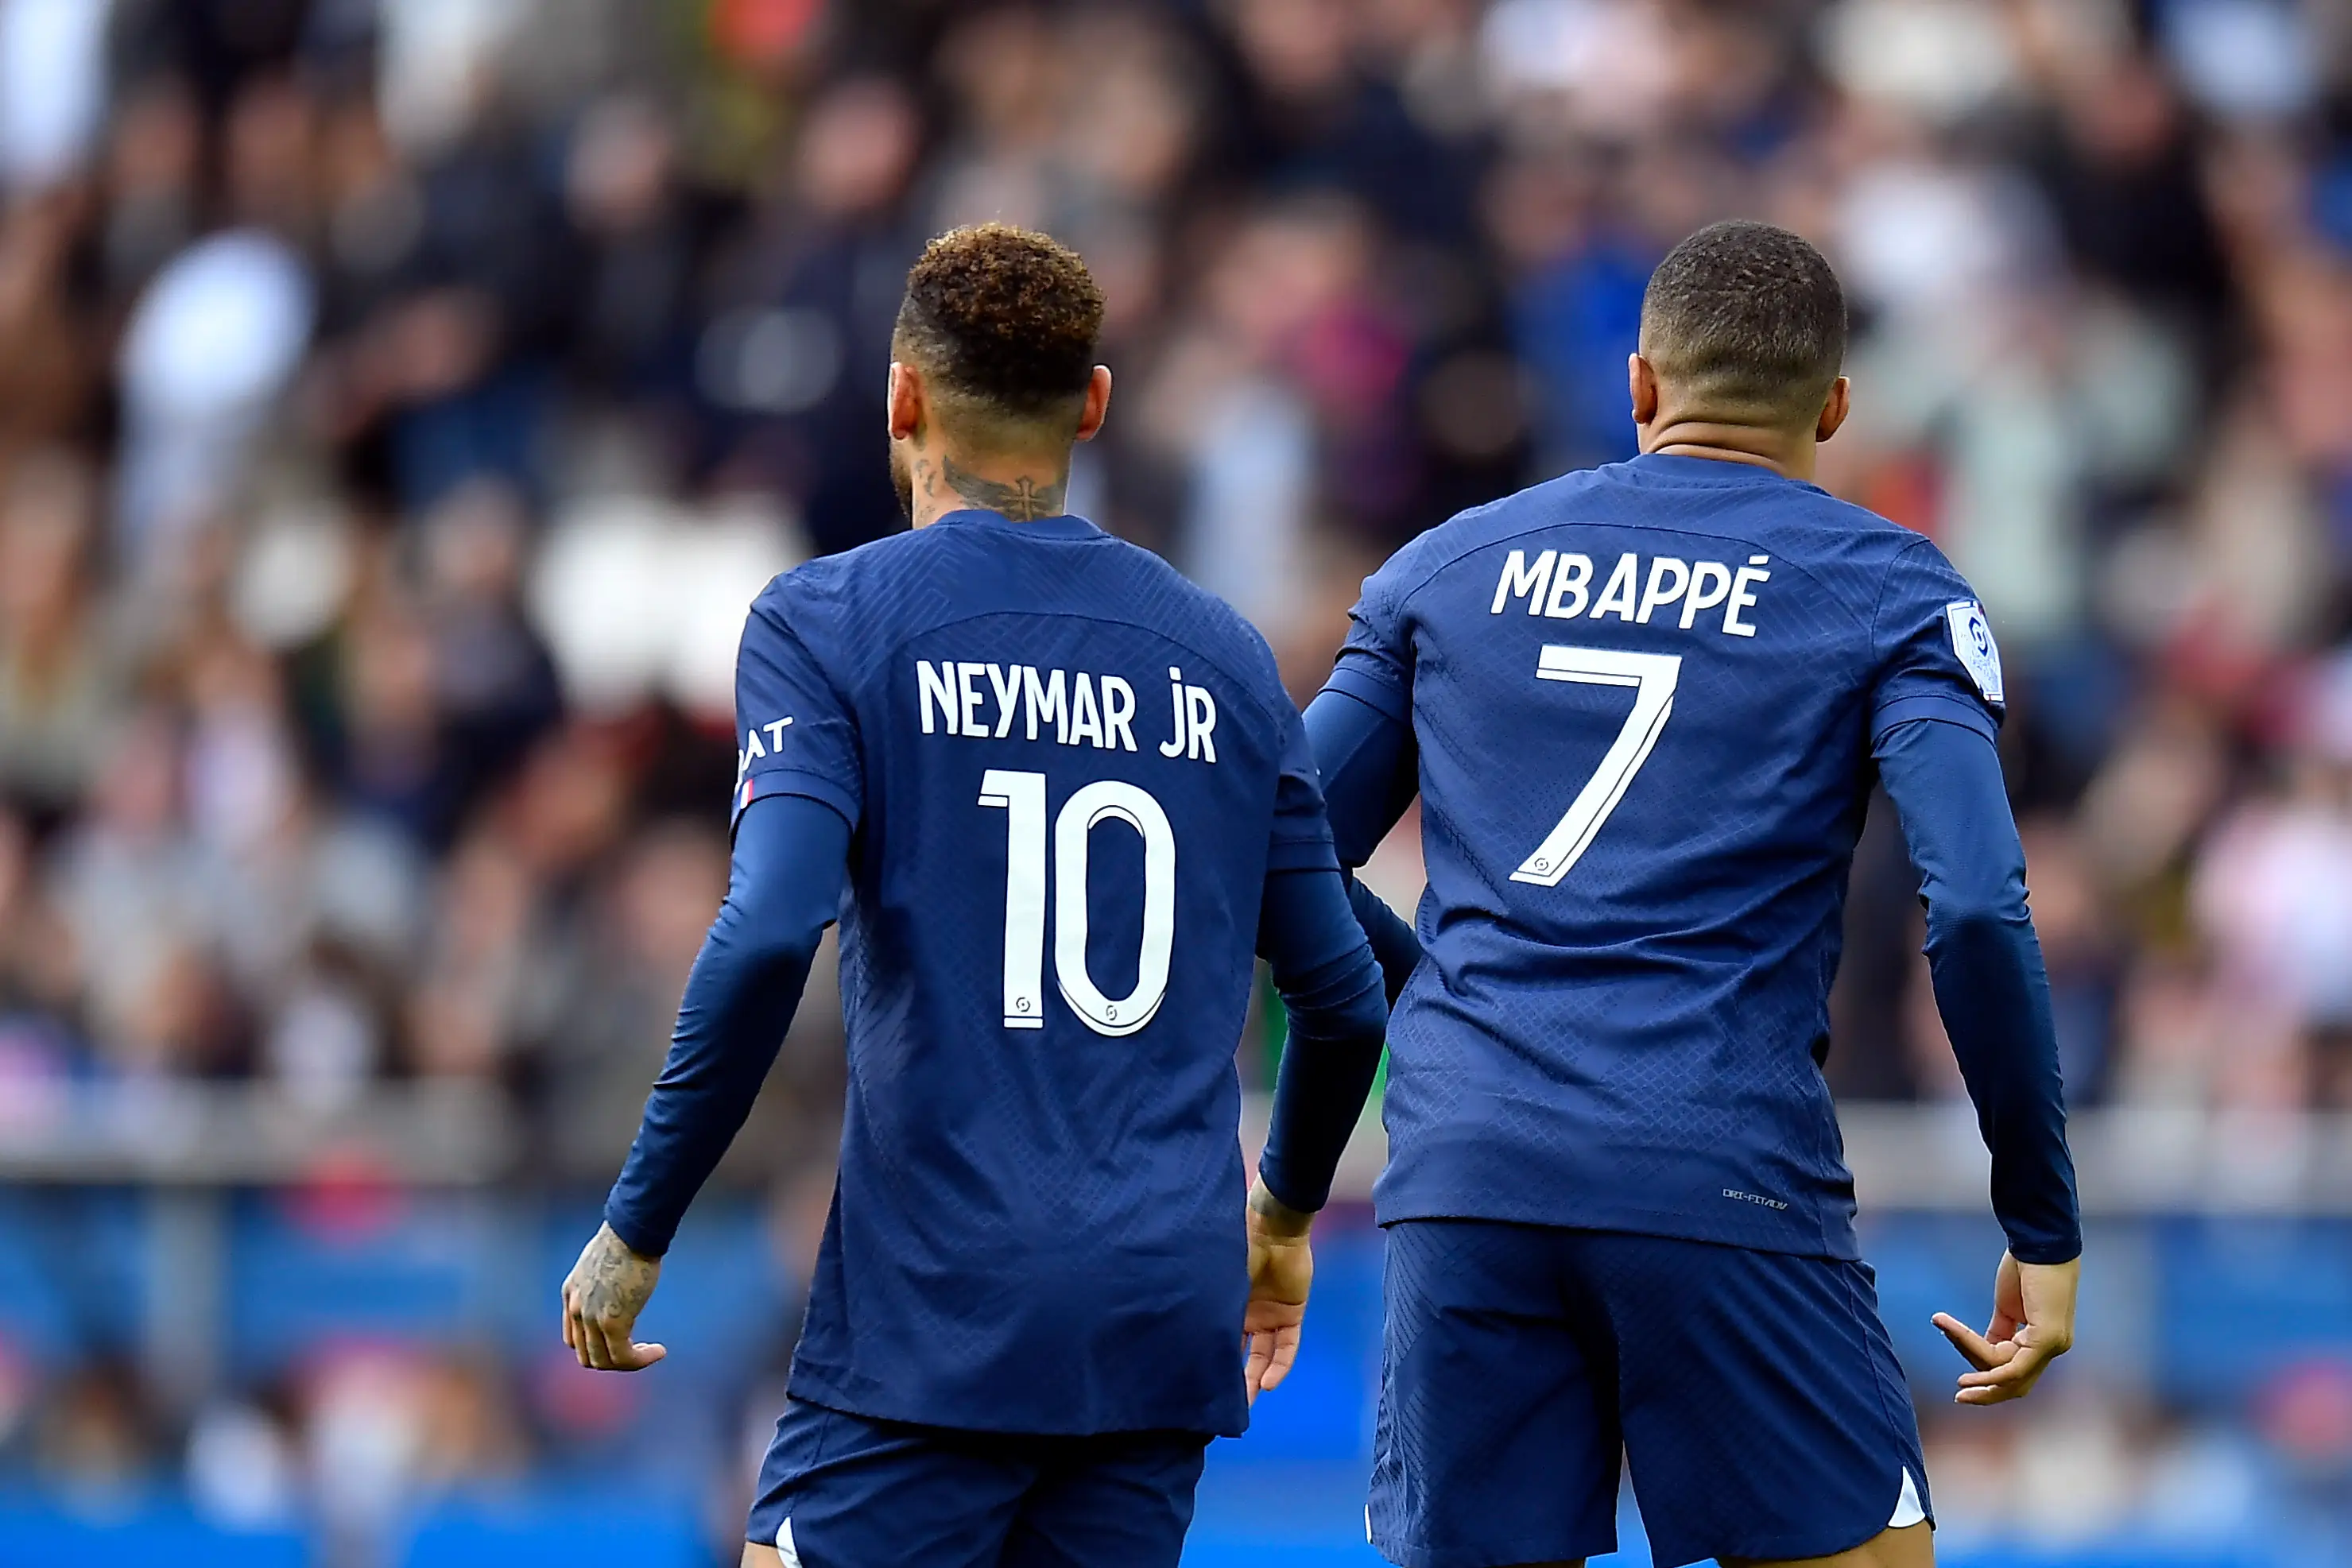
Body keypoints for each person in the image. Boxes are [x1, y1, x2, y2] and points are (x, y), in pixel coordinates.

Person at [1252, 220, 2083, 1568]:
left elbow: (1265, 853)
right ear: (1831, 407)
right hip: (1720, 1165)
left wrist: (1436, 990)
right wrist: (2038, 1217)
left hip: (1469, 1173)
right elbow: (1978, 903)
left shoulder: (1445, 569)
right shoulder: (1889, 590)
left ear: (1637, 384)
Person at [557, 223, 1388, 1568]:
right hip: (1154, 1315)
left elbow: (769, 927)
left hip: (936, 1309)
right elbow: (1344, 996)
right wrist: (1279, 1227)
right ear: (1094, 407)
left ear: (901, 397)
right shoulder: (1224, 654)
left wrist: (636, 1225)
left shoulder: (825, 624)